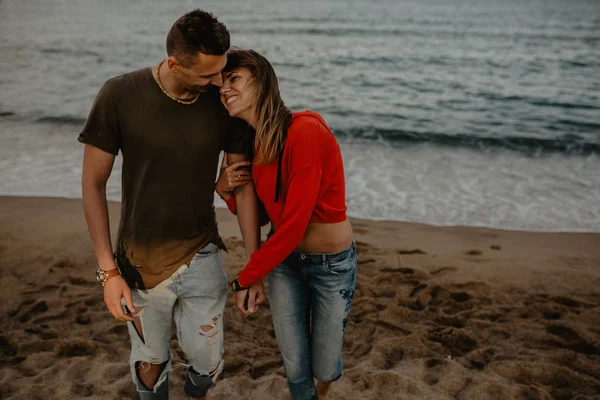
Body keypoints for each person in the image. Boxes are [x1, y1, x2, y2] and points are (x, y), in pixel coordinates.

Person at [79, 10, 264, 400]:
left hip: (203, 254)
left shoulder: (222, 102)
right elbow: (93, 184)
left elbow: (241, 186)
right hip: (139, 262)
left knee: (208, 361)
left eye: (222, 71)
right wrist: (107, 272)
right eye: (207, 76)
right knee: (150, 359)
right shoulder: (119, 95)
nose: (219, 84)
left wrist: (254, 266)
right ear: (174, 63)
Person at [218, 49, 357, 400]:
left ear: (262, 81)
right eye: (221, 84)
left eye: (233, 79)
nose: (224, 89)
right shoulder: (259, 142)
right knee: (295, 367)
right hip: (285, 264)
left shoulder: (305, 131)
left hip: (332, 266)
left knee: (324, 367)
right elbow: (268, 217)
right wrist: (224, 191)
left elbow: (293, 225)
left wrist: (244, 279)